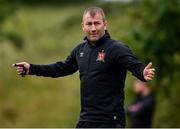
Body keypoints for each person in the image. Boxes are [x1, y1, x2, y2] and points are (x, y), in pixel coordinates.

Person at [13, 6, 155, 128]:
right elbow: (60, 68)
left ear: (105, 25)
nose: (93, 28)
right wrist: (31, 68)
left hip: (110, 122)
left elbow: (133, 64)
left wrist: (142, 72)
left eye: (97, 23)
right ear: (83, 26)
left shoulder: (116, 48)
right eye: (89, 24)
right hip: (86, 120)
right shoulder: (79, 50)